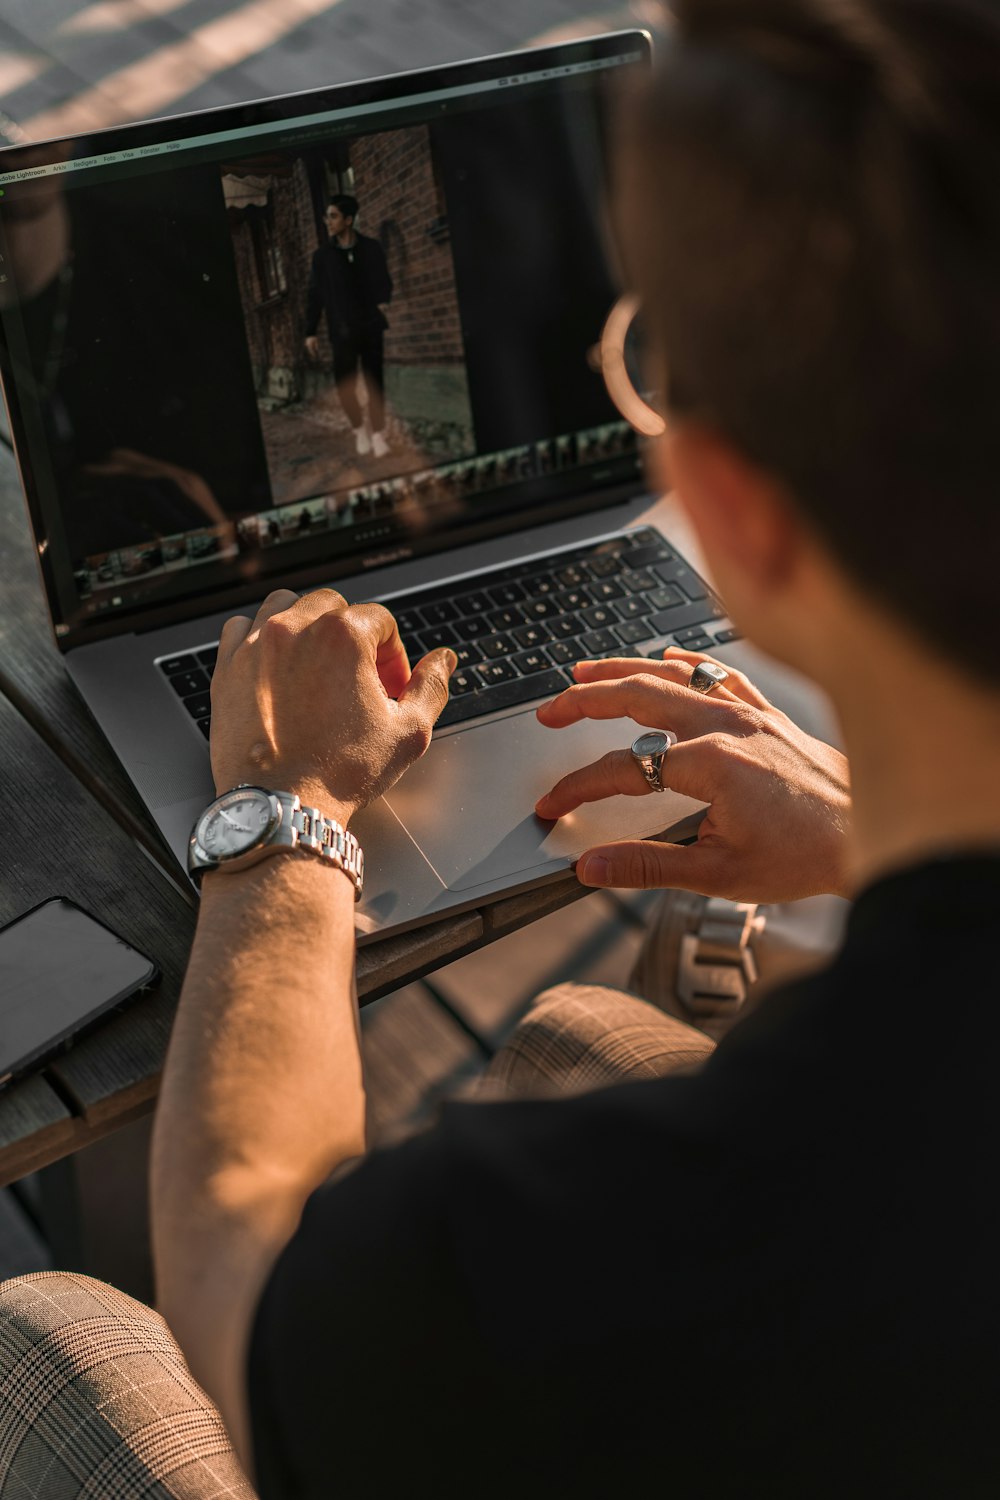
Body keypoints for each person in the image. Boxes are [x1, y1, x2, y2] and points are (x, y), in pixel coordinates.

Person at [3, 0, 1000, 1494]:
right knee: (565, 1041)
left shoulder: (627, 1249)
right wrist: (870, 839)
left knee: (46, 1322)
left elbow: (244, 1267)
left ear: (723, 505)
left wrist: (285, 818)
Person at [303, 193, 393, 459]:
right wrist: (310, 331)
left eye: (333, 216)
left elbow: (384, 282)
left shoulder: (371, 248)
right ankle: (359, 429)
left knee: (374, 382)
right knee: (345, 384)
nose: (327, 222)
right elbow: (315, 294)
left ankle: (377, 434)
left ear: (349, 220)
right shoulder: (323, 257)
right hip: (341, 330)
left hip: (370, 327)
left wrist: (382, 301)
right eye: (326, 216)